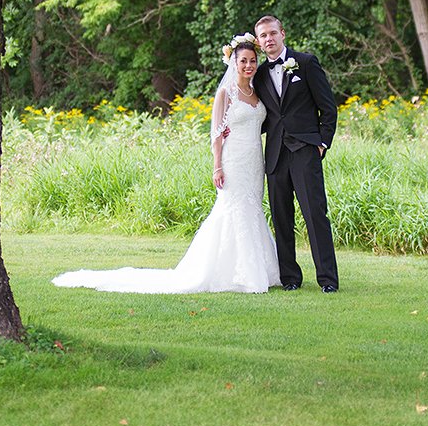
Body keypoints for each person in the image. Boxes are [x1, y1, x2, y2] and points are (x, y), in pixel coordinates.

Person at [51, 35, 280, 293]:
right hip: (232, 161)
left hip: (254, 161)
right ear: (233, 63)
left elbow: (256, 124)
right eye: (243, 61)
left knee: (252, 210)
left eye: (252, 61)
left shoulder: (257, 92)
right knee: (232, 210)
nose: (248, 65)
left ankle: (262, 269)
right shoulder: (226, 93)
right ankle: (236, 273)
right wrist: (217, 166)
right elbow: (216, 134)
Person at [252, 15, 339, 292]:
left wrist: (322, 142)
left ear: (283, 33)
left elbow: (328, 107)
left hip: (305, 150)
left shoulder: (306, 63)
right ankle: (290, 278)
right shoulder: (260, 74)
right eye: (263, 36)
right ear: (259, 42)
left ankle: (328, 280)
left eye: (272, 33)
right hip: (276, 154)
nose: (269, 39)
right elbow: (263, 115)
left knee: (315, 214)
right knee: (281, 217)